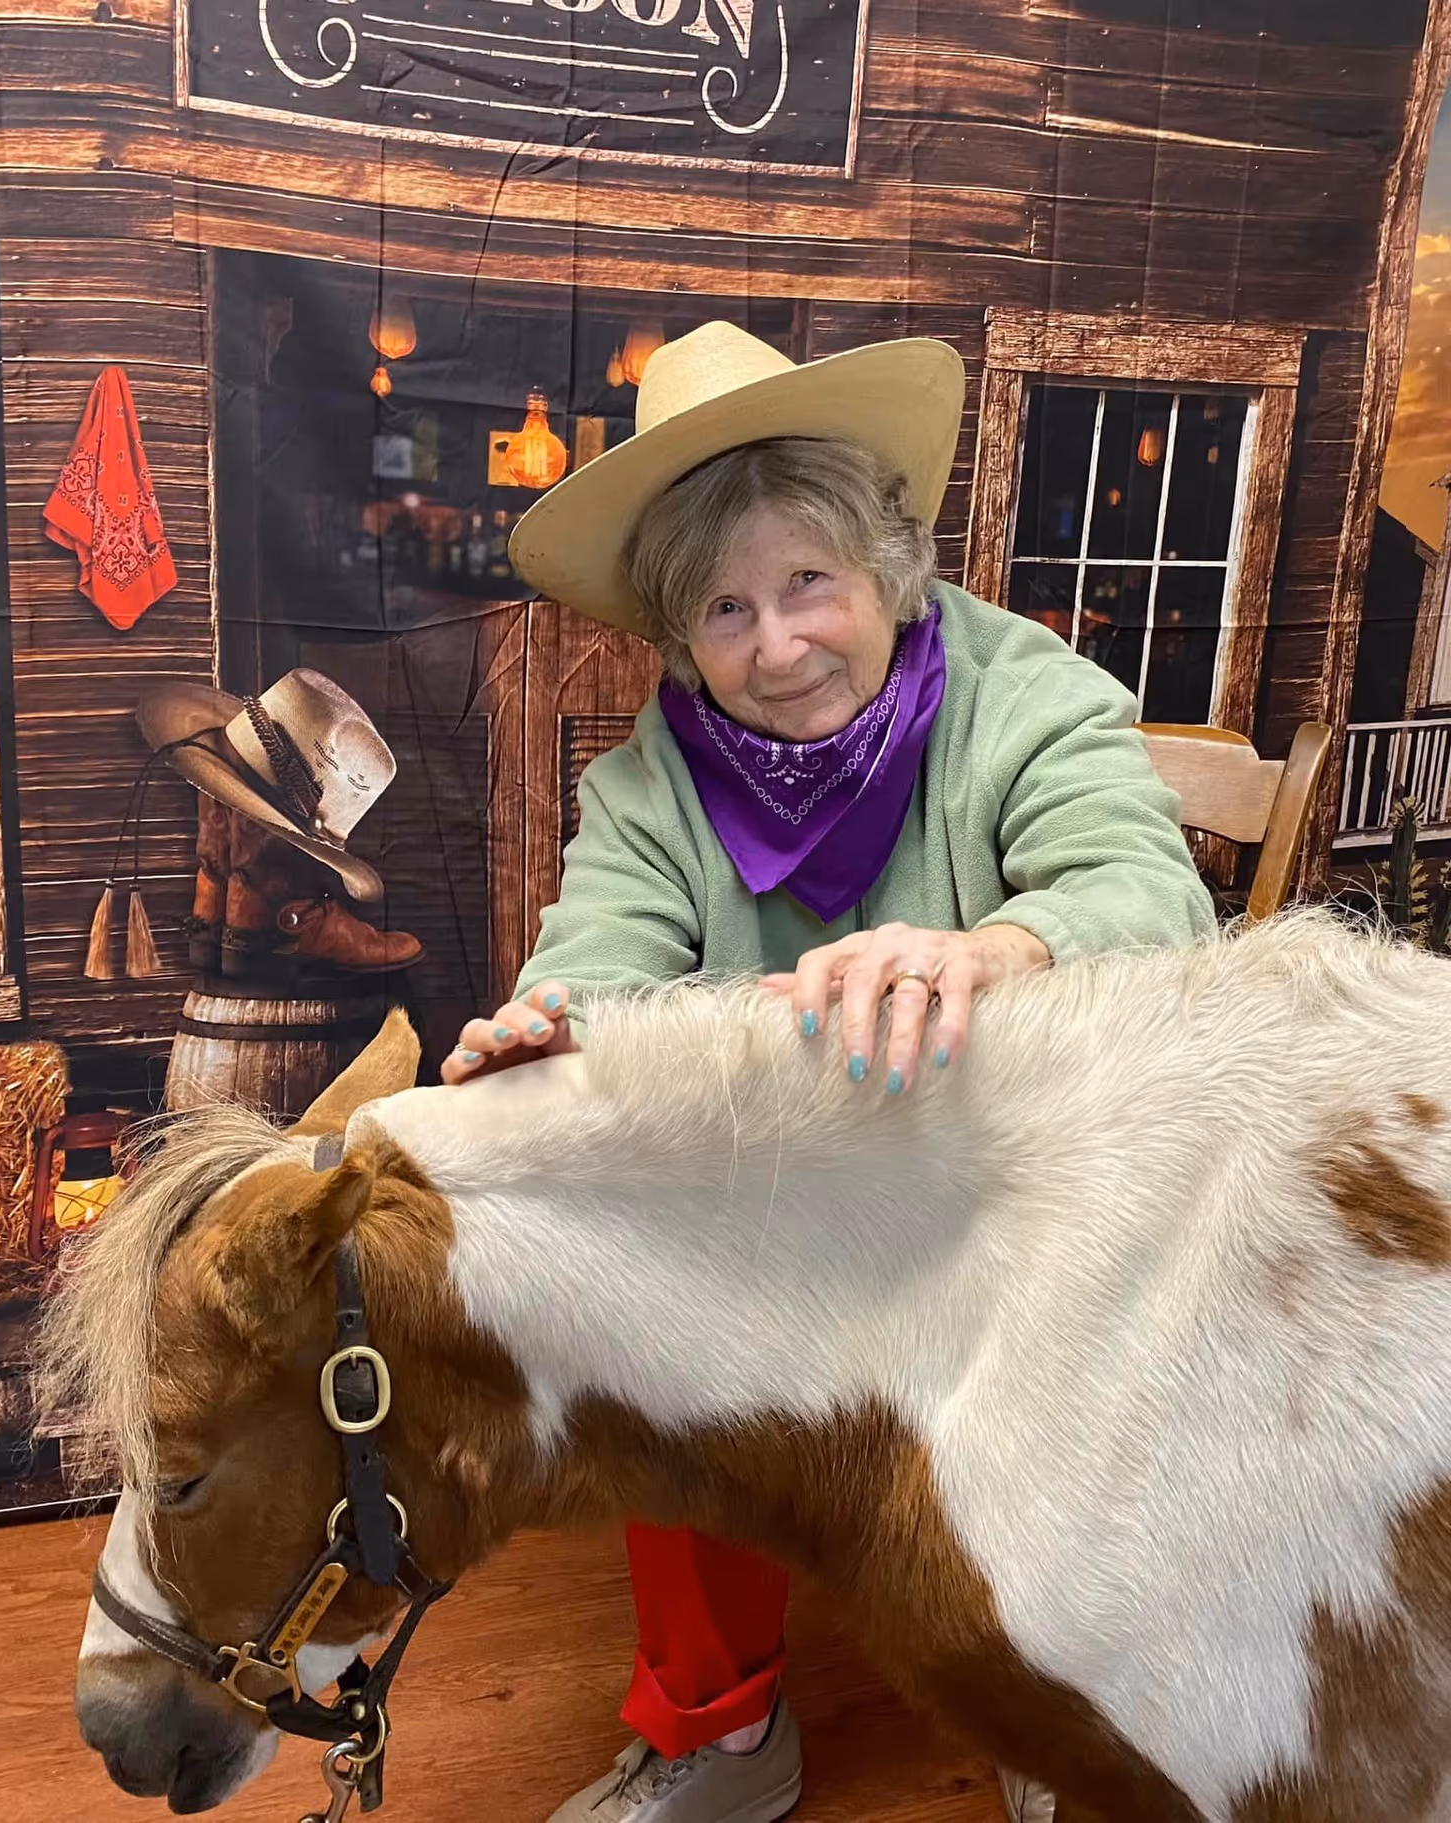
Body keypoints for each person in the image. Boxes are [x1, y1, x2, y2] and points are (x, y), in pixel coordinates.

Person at [442, 322, 1217, 1823]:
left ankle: (1062, 1695)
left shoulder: (1025, 690)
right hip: (796, 1242)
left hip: (1033, 1210)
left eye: (809, 583)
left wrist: (998, 950)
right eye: (725, 608)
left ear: (889, 569)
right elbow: (593, 959)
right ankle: (723, 1735)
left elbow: (1151, 894)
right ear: (676, 636)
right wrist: (547, 1035)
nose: (779, 645)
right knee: (636, 1292)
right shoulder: (648, 781)